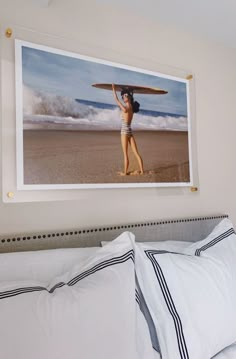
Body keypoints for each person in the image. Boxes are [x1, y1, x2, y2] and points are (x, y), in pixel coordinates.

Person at [112, 84, 144, 175]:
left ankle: (125, 172)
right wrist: (131, 92)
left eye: (125, 95)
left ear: (128, 97)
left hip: (124, 132)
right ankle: (142, 172)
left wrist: (113, 89)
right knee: (136, 153)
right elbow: (128, 99)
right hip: (130, 131)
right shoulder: (132, 109)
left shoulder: (125, 108)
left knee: (125, 154)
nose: (123, 97)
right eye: (122, 96)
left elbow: (116, 99)